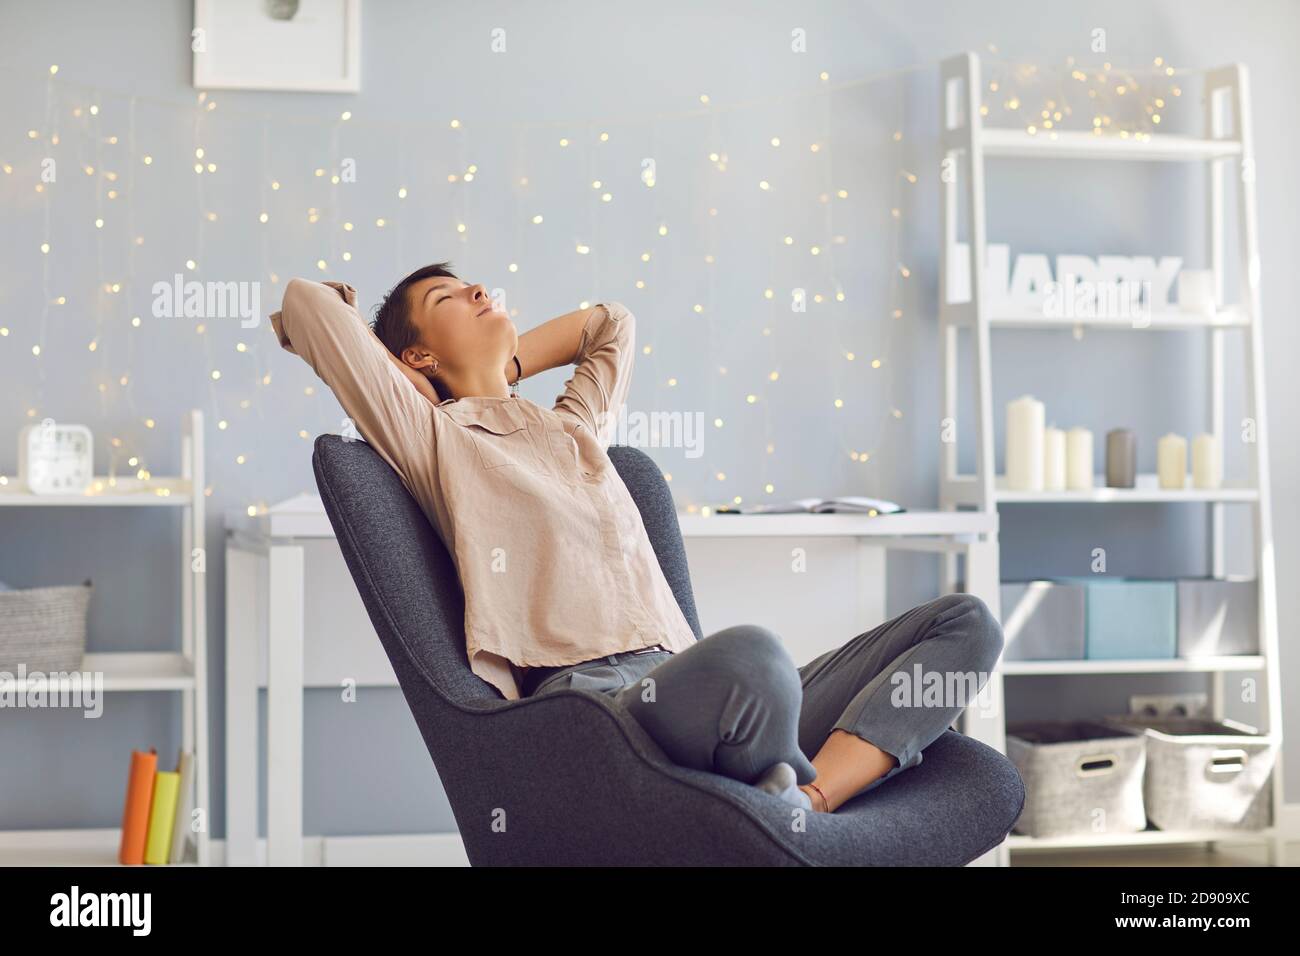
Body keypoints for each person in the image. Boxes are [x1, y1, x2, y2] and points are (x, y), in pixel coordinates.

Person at [270, 263, 1004, 814]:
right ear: (418, 359)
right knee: (755, 659)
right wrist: (420, 378)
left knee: (962, 624)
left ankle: (801, 805)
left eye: (474, 284)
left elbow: (609, 323)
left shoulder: (573, 427)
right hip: (604, 706)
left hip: (694, 682)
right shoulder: (431, 436)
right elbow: (305, 304)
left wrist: (501, 363)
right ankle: (768, 790)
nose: (477, 291)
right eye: (448, 299)